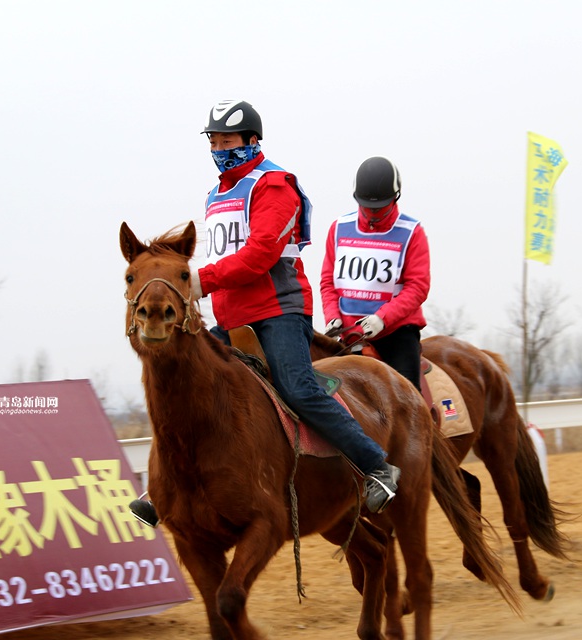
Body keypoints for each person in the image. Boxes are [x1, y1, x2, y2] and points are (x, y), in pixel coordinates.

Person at [128, 100, 400, 528]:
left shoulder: (274, 185)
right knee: (181, 383)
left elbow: (259, 255)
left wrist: (199, 283)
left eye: (228, 140)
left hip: (277, 312)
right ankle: (163, 489)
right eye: (213, 139)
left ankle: (377, 466)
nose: (219, 146)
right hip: (231, 318)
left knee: (298, 388)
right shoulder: (216, 194)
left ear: (252, 140)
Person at [320, 156, 431, 390]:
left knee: (409, 402)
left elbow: (418, 287)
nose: (373, 212)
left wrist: (383, 318)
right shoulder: (339, 228)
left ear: (395, 197)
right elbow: (328, 281)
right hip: (349, 335)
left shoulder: (412, 232)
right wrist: (332, 314)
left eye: (380, 206)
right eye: (367, 206)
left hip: (396, 335)